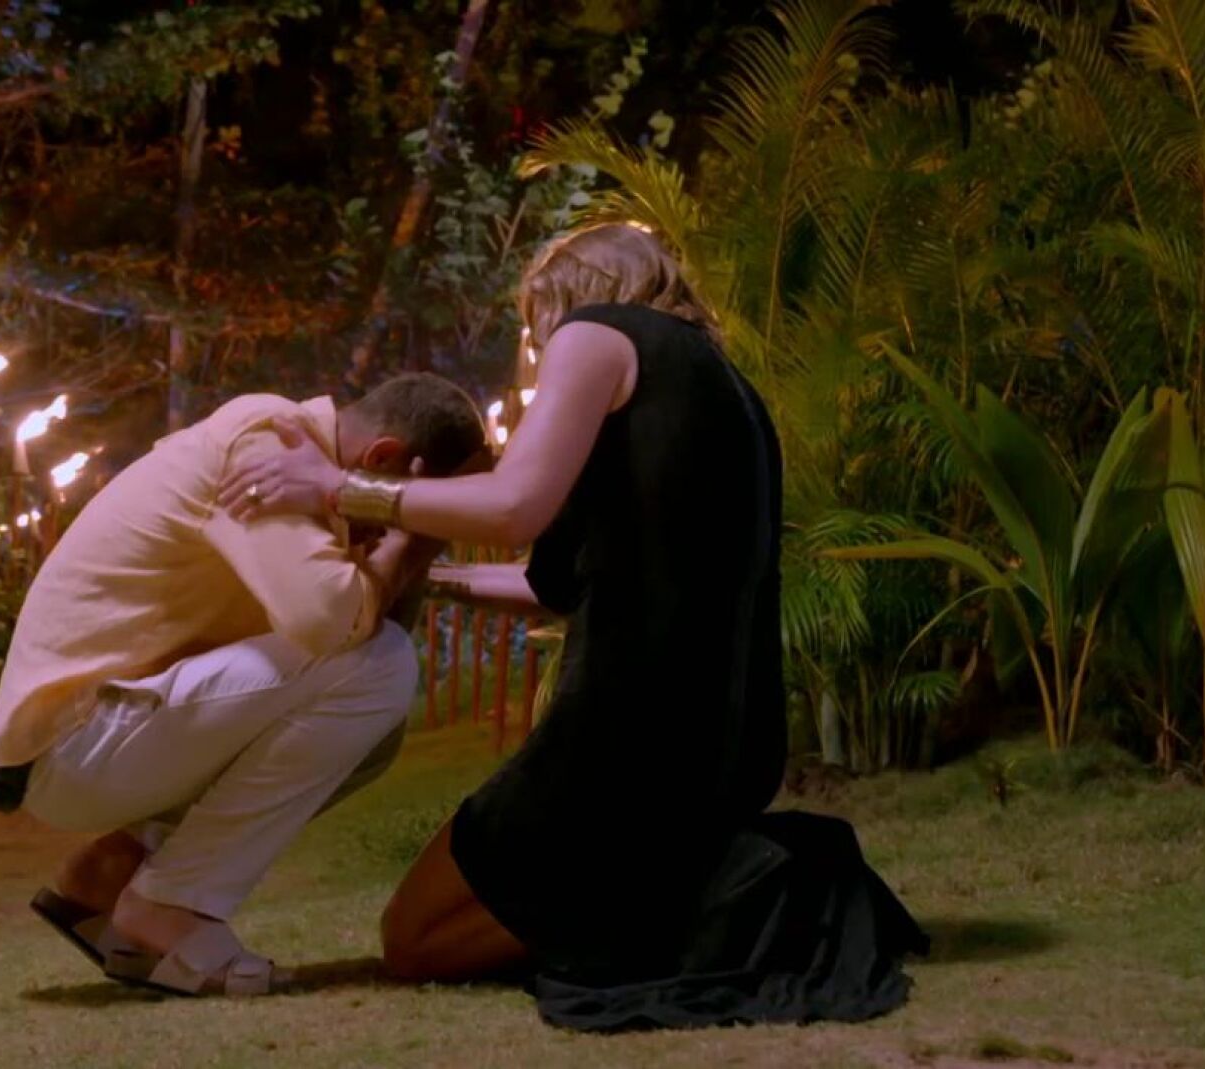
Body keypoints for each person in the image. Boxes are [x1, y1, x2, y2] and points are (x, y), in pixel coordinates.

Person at [221, 223, 927, 1030]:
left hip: (619, 741)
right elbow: (560, 586)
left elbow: (515, 506)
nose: (539, 345)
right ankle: (697, 890)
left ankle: (736, 902)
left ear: (567, 300)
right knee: (472, 918)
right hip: (727, 751)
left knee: (413, 939)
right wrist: (434, 579)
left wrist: (336, 488)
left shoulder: (598, 333)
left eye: (536, 323)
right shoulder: (724, 390)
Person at [0, 374, 487, 998]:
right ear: (382, 459)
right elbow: (332, 620)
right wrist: (408, 531)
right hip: (75, 736)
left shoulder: (305, 468)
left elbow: (369, 617)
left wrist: (409, 541)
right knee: (380, 669)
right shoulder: (268, 446)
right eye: (426, 498)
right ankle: (170, 905)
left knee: (375, 729)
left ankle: (112, 871)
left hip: (101, 733)